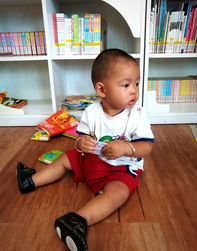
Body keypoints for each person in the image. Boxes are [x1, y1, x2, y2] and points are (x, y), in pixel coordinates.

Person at [17, 48, 154, 251]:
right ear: (101, 90)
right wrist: (82, 144)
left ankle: (77, 220)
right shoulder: (91, 111)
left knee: (119, 193)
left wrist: (127, 148)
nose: (134, 90)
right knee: (66, 158)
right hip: (92, 161)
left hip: (119, 170)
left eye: (136, 83)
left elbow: (147, 147)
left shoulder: (137, 114)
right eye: (126, 85)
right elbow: (80, 139)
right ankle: (30, 180)